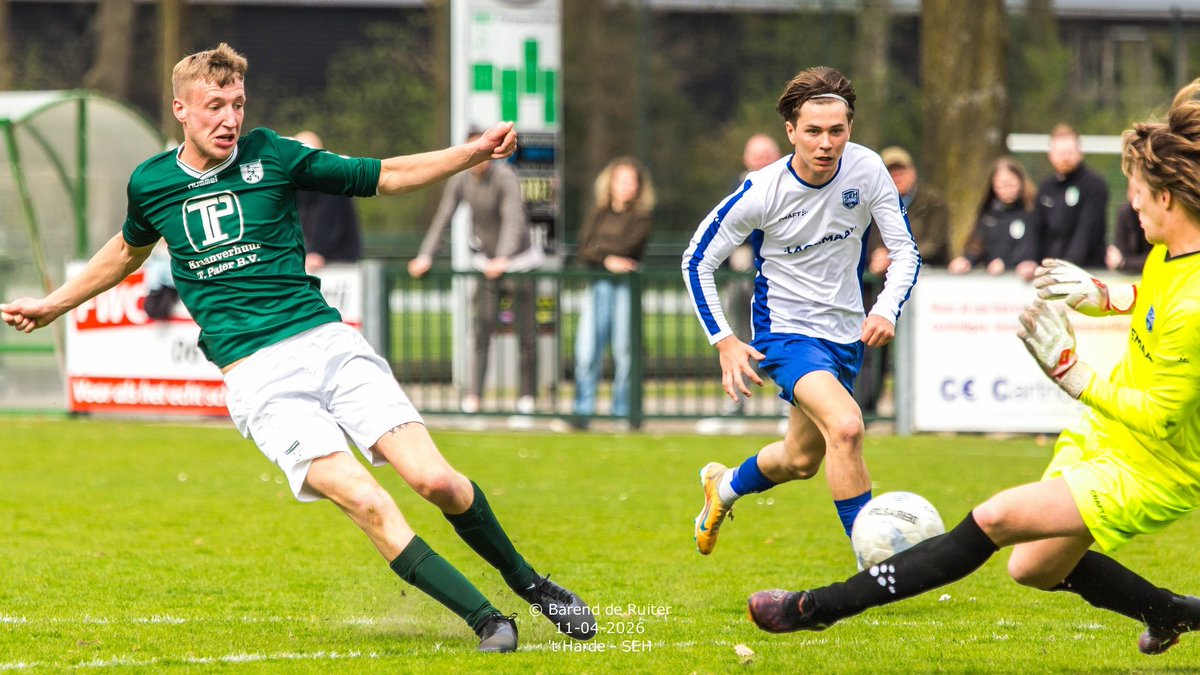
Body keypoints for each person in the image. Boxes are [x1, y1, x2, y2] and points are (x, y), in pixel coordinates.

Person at [0, 44, 594, 653]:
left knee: (436, 481)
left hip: (327, 342)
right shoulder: (151, 183)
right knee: (364, 499)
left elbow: (382, 174)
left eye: (236, 104)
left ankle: (530, 583)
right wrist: (53, 305)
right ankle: (486, 621)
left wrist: (469, 153)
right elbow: (124, 253)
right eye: (214, 106)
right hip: (258, 378)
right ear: (181, 109)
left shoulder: (273, 155)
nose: (229, 118)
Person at [745, 78, 1200, 658]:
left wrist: (1073, 374)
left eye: (1135, 191)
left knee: (994, 519)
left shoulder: (1195, 302)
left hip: (1155, 463)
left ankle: (813, 608)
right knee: (1031, 567)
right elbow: (1154, 295)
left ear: (1167, 198)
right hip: (1110, 436)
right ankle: (1176, 614)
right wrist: (1105, 296)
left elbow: (1162, 416)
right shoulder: (1171, 252)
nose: (1130, 202)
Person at [682, 66, 921, 556]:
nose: (825, 143)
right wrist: (725, 340)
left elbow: (906, 252)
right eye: (812, 131)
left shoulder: (868, 169)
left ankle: (722, 487)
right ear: (790, 132)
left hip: (844, 335)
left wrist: (887, 309)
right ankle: (876, 564)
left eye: (836, 130)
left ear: (849, 129)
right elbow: (696, 260)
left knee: (799, 460)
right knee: (848, 426)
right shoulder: (761, 190)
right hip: (785, 334)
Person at [407, 130, 542, 415]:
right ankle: (474, 397)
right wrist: (425, 256)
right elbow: (443, 217)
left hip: (518, 264)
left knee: (527, 334)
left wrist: (503, 258)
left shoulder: (506, 177)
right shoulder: (461, 179)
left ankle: (527, 398)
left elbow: (513, 220)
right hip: (487, 265)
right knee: (482, 329)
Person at [572, 156, 655, 428]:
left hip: (624, 288)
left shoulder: (641, 217)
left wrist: (600, 252)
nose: (625, 186)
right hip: (598, 285)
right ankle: (582, 411)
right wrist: (606, 260)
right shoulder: (598, 213)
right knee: (586, 351)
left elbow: (628, 248)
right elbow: (583, 249)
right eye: (621, 180)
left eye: (631, 181)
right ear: (611, 183)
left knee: (625, 351)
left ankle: (623, 412)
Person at [721, 133, 783, 417]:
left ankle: (790, 405)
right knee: (738, 337)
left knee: (785, 336)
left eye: (766, 155)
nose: (761, 161)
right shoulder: (738, 187)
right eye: (756, 155)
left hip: (781, 276)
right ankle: (737, 402)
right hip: (743, 274)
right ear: (746, 158)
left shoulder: (788, 183)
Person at [1015, 123, 1109, 280]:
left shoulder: (1094, 185)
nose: (1065, 157)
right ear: (1050, 155)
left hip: (1086, 274)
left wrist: (1066, 268)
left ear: (1080, 153)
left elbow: (1086, 232)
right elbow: (1036, 229)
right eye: (1060, 152)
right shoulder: (1046, 188)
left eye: (1069, 152)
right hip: (1050, 275)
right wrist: (1030, 260)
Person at [948, 156, 1039, 275]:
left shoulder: (1033, 212)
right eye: (1000, 186)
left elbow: (1032, 248)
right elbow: (976, 246)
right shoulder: (989, 216)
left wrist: (1007, 264)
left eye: (1011, 184)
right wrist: (965, 261)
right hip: (994, 282)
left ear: (1021, 181)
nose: (1006, 190)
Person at [292, 130, 362, 274]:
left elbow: (329, 221)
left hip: (337, 263)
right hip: (314, 261)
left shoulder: (331, 180)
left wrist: (317, 252)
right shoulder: (298, 184)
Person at [1107, 184, 1153, 274]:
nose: (1136, 203)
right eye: (1133, 191)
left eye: (1139, 192)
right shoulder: (1125, 212)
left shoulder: (1156, 217)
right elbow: (1119, 253)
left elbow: (1158, 258)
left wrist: (1124, 262)